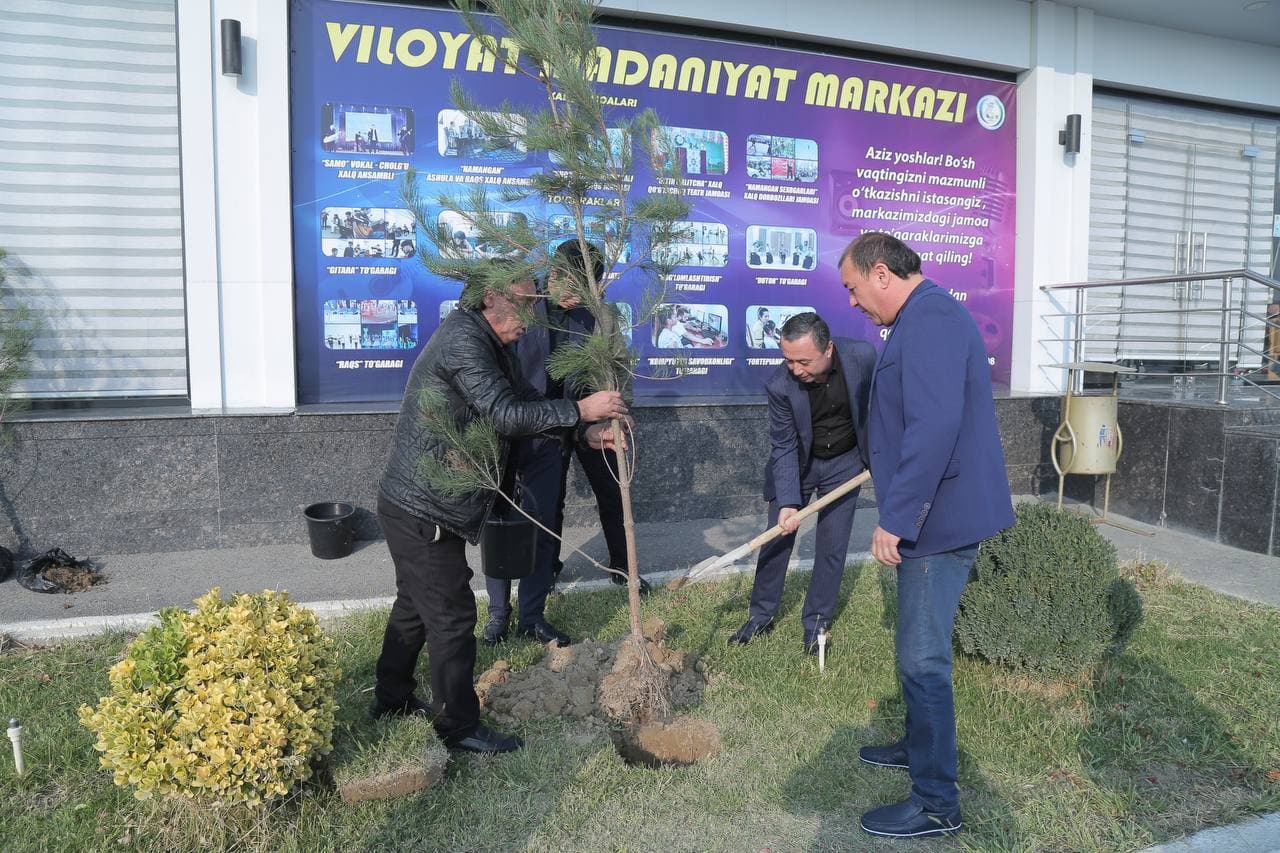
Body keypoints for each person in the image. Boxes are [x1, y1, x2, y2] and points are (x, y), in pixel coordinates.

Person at [373, 268, 627, 754]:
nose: (533, 319)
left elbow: (525, 402)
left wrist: (584, 432)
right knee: (450, 615)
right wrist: (581, 411)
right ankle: (460, 727)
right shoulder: (466, 342)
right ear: (491, 298)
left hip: (427, 498)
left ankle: (392, 696)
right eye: (526, 305)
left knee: (414, 604)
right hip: (423, 503)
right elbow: (506, 416)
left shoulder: (489, 341)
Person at [838, 232, 1013, 839]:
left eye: (854, 289)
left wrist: (896, 517)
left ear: (881, 273)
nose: (854, 303)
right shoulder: (921, 314)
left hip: (937, 520)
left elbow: (933, 424)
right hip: (933, 513)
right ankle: (919, 747)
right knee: (917, 650)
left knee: (922, 661)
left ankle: (937, 803)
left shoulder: (932, 316)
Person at [484, 241, 650, 647]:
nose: (573, 293)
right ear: (552, 274)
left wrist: (609, 417)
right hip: (521, 424)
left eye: (585, 285)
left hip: (585, 419)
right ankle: (497, 614)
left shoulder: (600, 314)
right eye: (566, 280)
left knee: (599, 495)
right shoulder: (521, 304)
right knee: (514, 516)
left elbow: (615, 368)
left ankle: (539, 609)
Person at [728, 311, 874, 654]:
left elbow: (878, 409)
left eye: (804, 361)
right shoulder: (780, 385)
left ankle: (817, 623)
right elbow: (783, 445)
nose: (795, 369)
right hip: (799, 463)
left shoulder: (863, 358)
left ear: (828, 349)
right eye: (788, 360)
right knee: (777, 539)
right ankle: (761, 615)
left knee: (832, 546)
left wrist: (878, 458)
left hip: (846, 462)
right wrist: (789, 502)